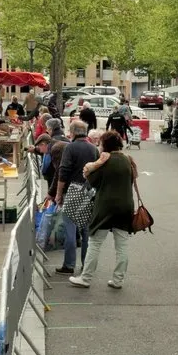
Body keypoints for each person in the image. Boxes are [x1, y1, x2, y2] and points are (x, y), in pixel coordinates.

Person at [69, 131, 136, 289]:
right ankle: (118, 280)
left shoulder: (105, 161)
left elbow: (91, 181)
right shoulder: (127, 160)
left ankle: (86, 278)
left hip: (105, 207)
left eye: (100, 144)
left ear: (105, 145)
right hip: (126, 205)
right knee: (122, 245)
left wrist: (94, 165)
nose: (98, 146)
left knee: (95, 242)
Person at [54, 120, 100, 276]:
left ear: (72, 133)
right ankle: (85, 264)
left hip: (72, 191)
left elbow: (63, 172)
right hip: (89, 192)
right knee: (87, 230)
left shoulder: (69, 148)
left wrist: (59, 194)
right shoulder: (93, 149)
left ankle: (69, 264)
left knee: (70, 229)